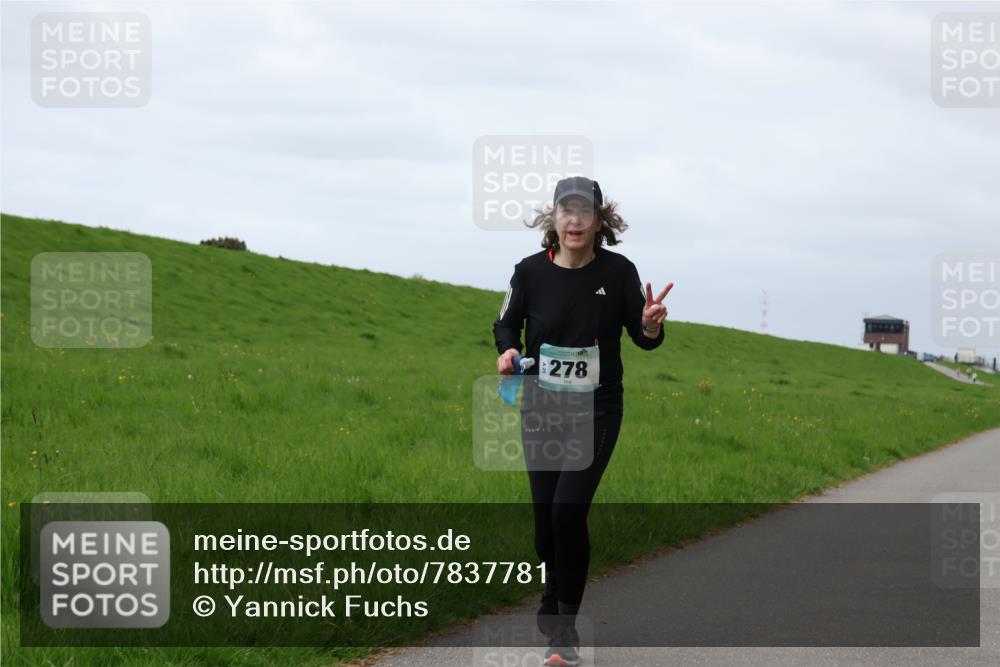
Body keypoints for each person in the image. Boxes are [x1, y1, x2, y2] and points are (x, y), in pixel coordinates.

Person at [492, 176, 672, 666]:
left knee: (568, 513)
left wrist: (652, 323)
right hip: (540, 408)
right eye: (565, 211)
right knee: (545, 527)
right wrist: (508, 349)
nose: (574, 220)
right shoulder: (529, 273)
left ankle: (563, 634)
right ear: (554, 219)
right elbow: (506, 322)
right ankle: (553, 598)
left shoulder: (618, 273)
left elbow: (643, 334)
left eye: (584, 212)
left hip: (596, 410)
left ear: (599, 221)